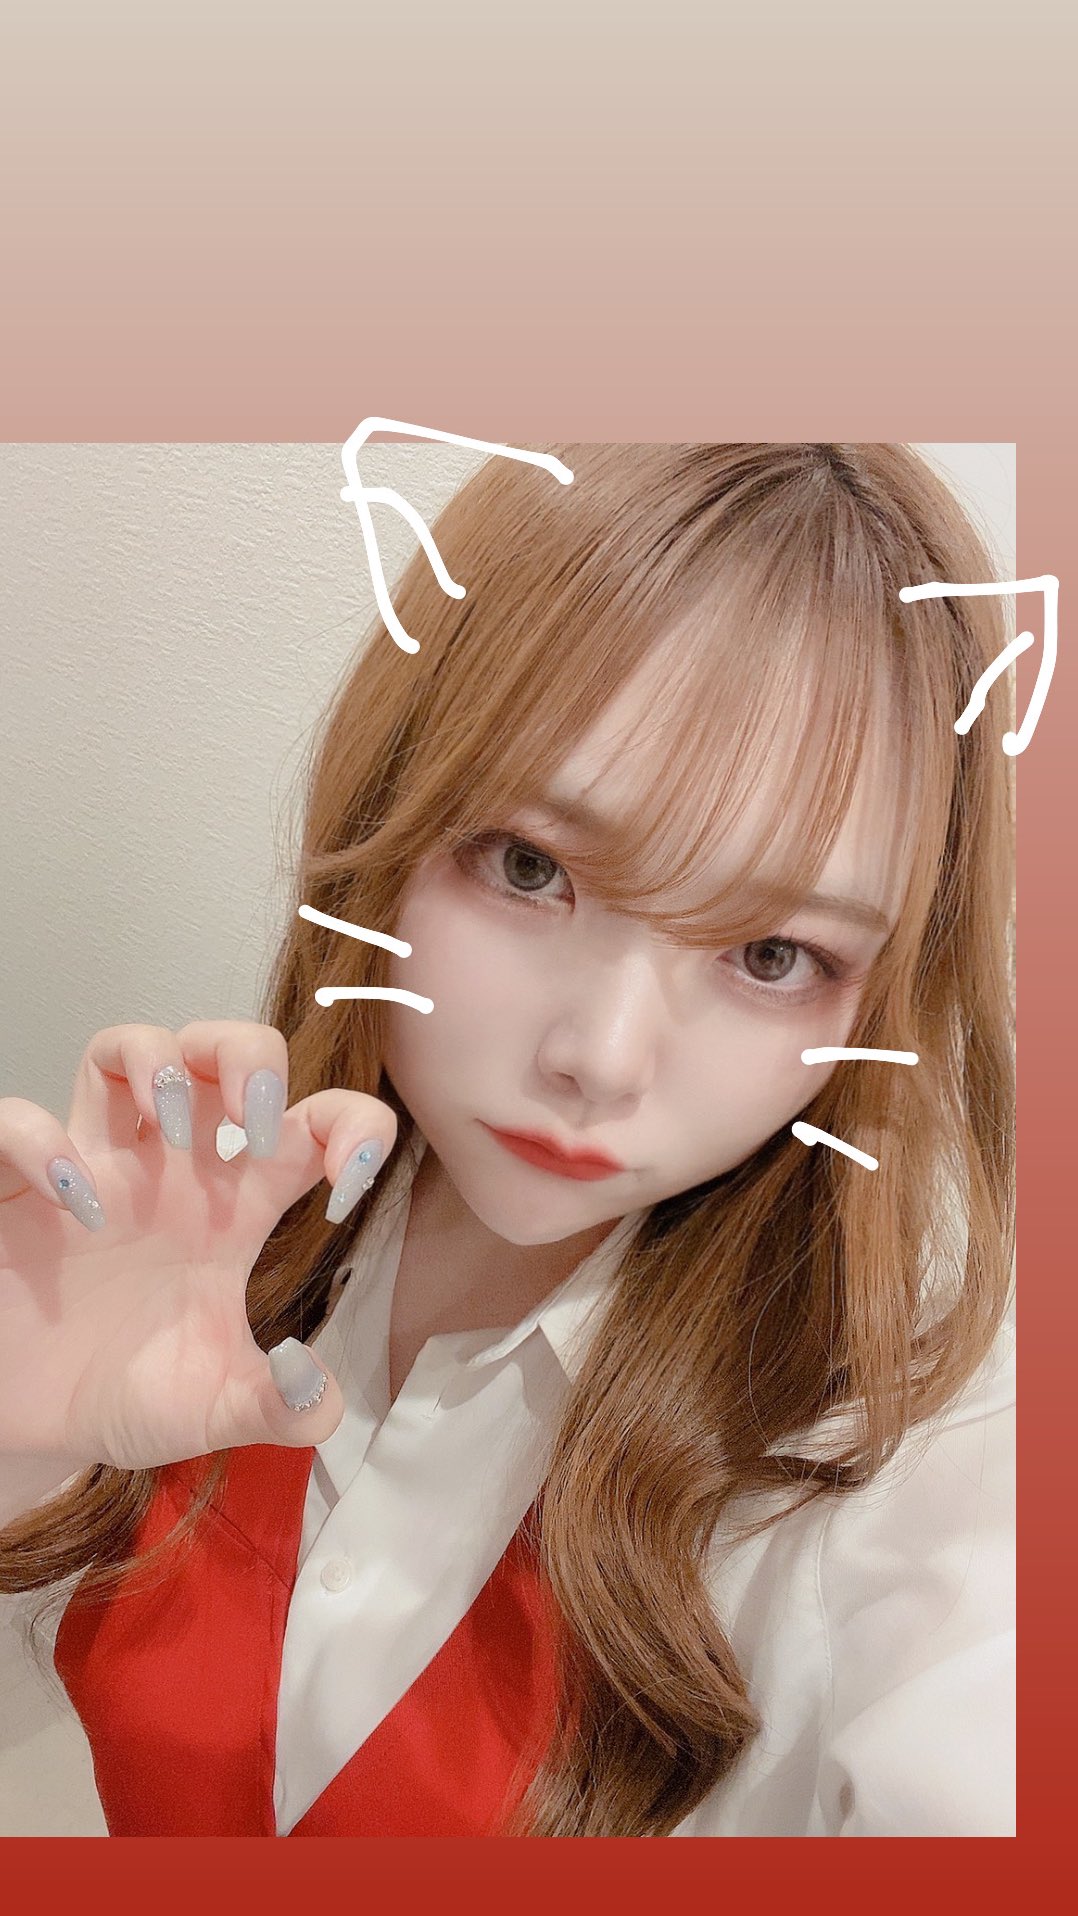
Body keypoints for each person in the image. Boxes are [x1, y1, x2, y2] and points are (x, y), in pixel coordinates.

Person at [0, 443, 1015, 1838]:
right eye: (532, 868)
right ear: (388, 813)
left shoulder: (901, 1471)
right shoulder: (217, 1224)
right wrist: (24, 1447)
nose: (601, 1058)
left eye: (774, 954)